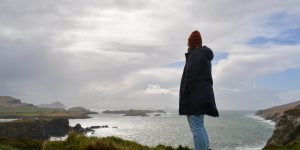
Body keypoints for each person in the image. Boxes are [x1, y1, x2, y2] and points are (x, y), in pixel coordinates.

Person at [179, 30, 219, 150]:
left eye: (189, 44)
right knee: (200, 127)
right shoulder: (204, 56)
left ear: (191, 44)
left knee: (197, 129)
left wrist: (184, 94)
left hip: (194, 99)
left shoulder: (195, 55)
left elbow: (190, 78)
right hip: (202, 97)